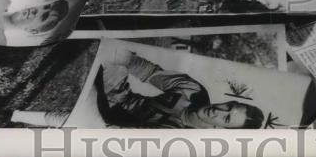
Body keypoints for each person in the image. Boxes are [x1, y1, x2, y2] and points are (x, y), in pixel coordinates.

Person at [97, 49, 265, 129]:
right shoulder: (195, 91)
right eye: (228, 106)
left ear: (225, 129)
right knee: (114, 60)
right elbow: (149, 72)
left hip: (112, 128)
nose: (217, 111)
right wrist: (118, 55)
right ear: (230, 100)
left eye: (226, 119)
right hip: (119, 97)